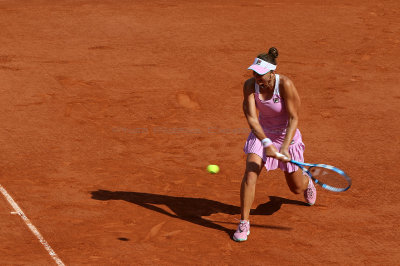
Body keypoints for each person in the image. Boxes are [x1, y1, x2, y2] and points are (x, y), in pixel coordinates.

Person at [233, 47, 316, 242]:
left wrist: (285, 147)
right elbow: (252, 119)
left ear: (273, 72)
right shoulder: (249, 86)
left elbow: (294, 118)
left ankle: (307, 180)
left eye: (261, 74)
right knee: (250, 172)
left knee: (295, 188)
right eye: (255, 73)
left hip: (287, 135)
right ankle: (244, 222)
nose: (257, 77)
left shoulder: (285, 84)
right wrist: (266, 143)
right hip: (262, 134)